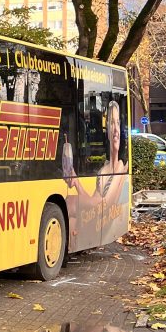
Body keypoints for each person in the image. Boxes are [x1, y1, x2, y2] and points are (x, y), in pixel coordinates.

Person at [62, 99, 129, 245]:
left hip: (103, 224)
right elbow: (93, 208)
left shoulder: (121, 166)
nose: (116, 130)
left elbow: (104, 203)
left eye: (118, 123)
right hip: (97, 223)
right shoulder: (103, 169)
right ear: (107, 130)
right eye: (112, 123)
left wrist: (76, 200)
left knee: (70, 203)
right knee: (71, 217)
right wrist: (76, 182)